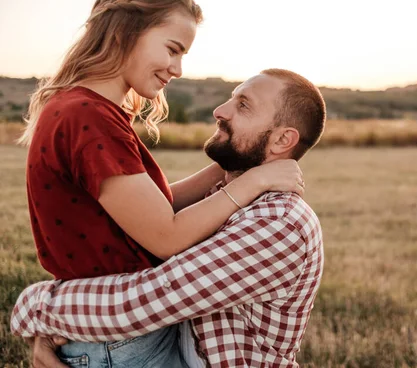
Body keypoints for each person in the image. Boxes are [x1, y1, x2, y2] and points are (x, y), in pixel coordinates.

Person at [17, 0, 304, 366]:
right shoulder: (89, 118)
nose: (178, 68)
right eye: (172, 48)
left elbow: (155, 207)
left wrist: (230, 171)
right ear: (125, 33)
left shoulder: (85, 110)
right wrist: (253, 181)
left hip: (111, 331)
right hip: (121, 342)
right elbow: (165, 236)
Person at [12, 69, 327, 368]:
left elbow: (142, 303)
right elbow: (148, 219)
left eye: (243, 106)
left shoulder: (278, 223)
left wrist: (35, 305)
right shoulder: (229, 194)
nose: (220, 110)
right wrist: (61, 337)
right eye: (231, 98)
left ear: (282, 141)